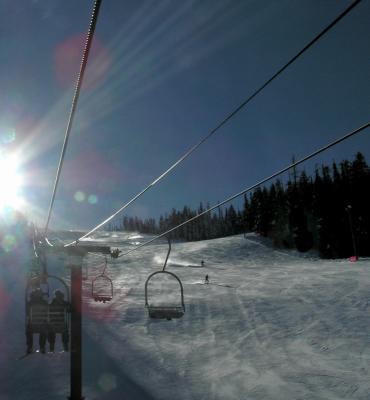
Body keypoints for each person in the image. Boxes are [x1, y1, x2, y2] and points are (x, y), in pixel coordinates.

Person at [26, 288, 48, 354]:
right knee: (44, 330)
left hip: (32, 325)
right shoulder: (44, 302)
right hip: (41, 325)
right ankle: (42, 347)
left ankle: (30, 347)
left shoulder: (30, 303)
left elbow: (27, 313)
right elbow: (47, 313)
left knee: (28, 331)